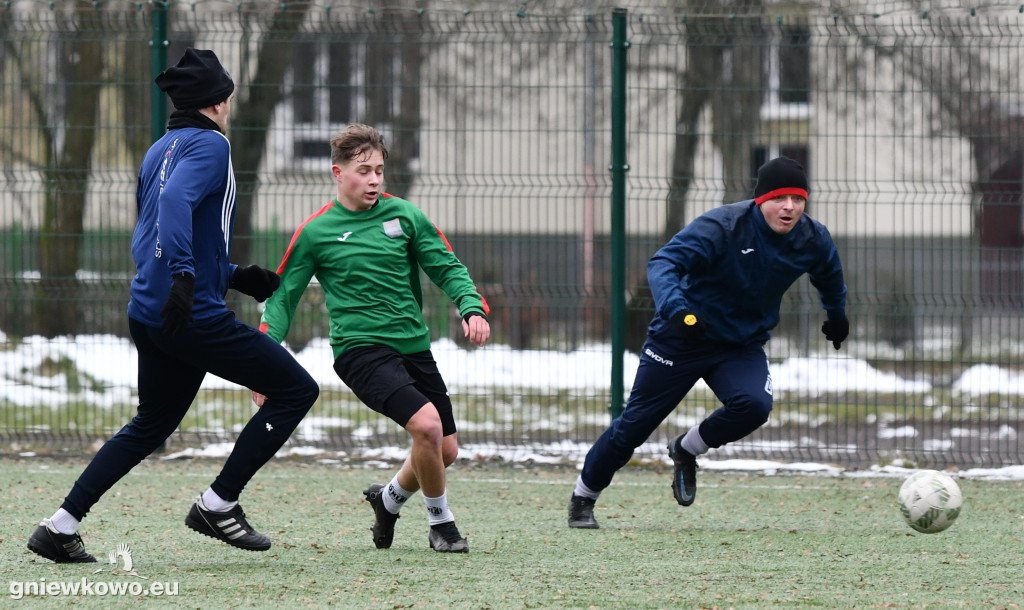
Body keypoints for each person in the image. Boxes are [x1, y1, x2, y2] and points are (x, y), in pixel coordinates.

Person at [26, 48, 320, 563]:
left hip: (149, 310)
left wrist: (232, 274)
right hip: (191, 315)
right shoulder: (212, 146)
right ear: (218, 102)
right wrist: (188, 278)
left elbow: (151, 238)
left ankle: (60, 526)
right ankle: (218, 504)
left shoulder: (160, 148)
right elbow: (173, 207)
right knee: (296, 389)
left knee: (151, 423)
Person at [567, 156, 849, 528]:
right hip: (682, 335)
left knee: (755, 405)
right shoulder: (724, 226)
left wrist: (837, 315)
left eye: (798, 199)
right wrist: (679, 310)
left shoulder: (812, 237)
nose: (789, 207)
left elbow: (829, 275)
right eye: (780, 198)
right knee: (633, 426)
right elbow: (663, 263)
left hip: (740, 344)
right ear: (760, 199)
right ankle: (583, 498)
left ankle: (685, 448)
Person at [255, 123, 490, 553]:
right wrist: (261, 364)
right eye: (364, 170)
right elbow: (282, 299)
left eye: (379, 170)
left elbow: (446, 266)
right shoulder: (315, 232)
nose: (375, 179)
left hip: (412, 346)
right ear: (337, 173)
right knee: (427, 425)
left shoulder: (406, 215)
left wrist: (470, 305)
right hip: (360, 351)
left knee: (446, 450)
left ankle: (388, 501)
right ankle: (442, 525)